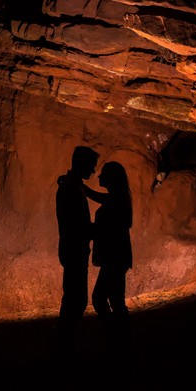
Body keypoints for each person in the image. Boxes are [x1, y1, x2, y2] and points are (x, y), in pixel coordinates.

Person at [55, 145, 99, 351]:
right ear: (81, 164)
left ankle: (66, 342)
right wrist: (100, 230)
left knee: (74, 297)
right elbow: (76, 225)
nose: (93, 171)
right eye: (91, 166)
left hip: (73, 248)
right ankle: (66, 344)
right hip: (74, 249)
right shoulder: (71, 188)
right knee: (76, 298)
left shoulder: (73, 185)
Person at [83, 161, 133, 344]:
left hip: (114, 258)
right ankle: (121, 339)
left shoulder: (116, 200)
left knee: (101, 299)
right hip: (117, 257)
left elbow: (109, 227)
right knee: (115, 300)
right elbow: (99, 197)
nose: (99, 176)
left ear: (112, 178)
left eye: (103, 173)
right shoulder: (118, 198)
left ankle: (118, 338)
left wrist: (89, 229)